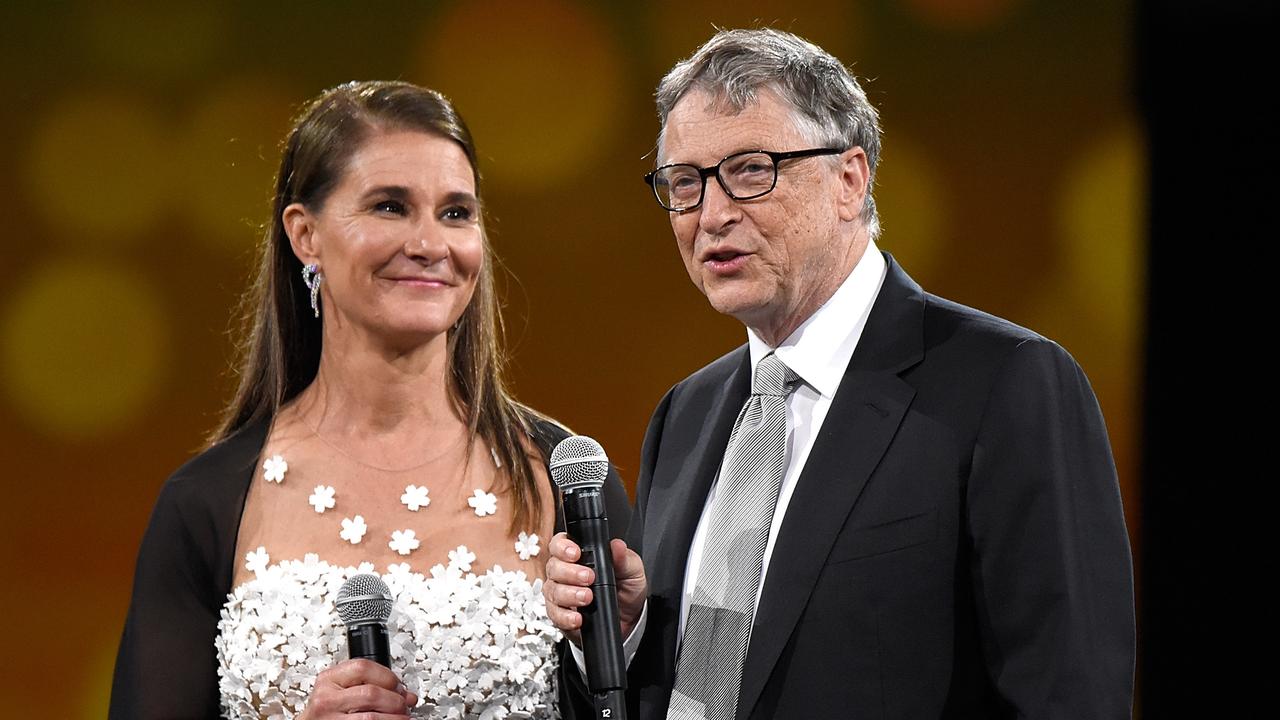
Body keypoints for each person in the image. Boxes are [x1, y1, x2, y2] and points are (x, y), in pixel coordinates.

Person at [545, 28, 1135, 719]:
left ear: (849, 180)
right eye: (685, 183)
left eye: (750, 170)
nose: (713, 214)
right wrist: (624, 635)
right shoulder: (687, 412)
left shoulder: (1005, 382)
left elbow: (1068, 692)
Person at [110, 80, 629, 720]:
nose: (430, 244)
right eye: (389, 207)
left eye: (456, 213)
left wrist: (618, 642)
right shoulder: (205, 503)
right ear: (306, 235)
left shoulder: (566, 476)